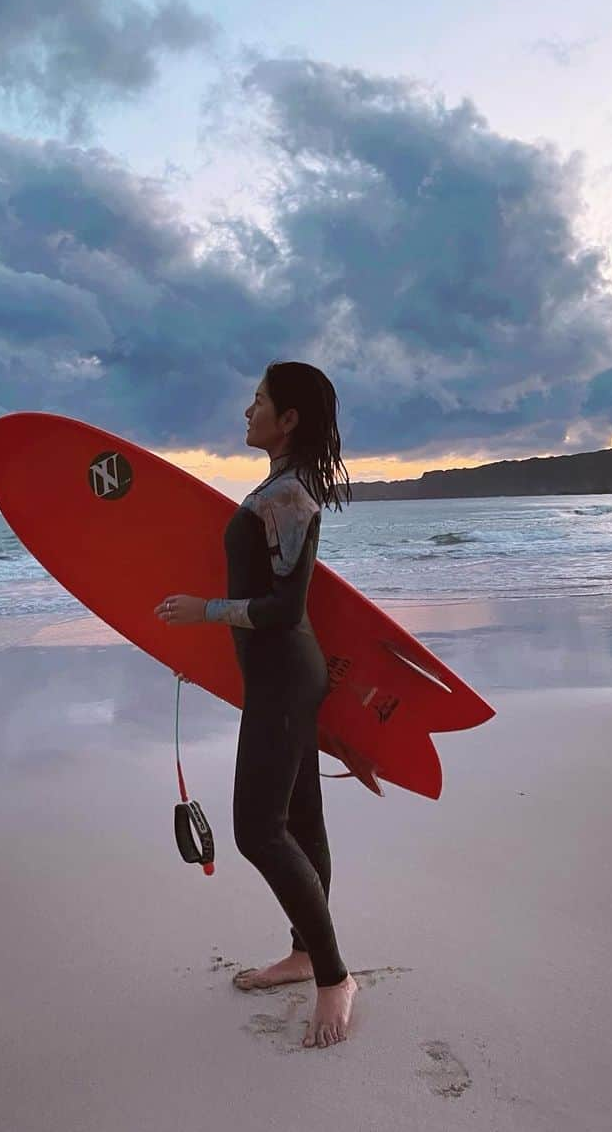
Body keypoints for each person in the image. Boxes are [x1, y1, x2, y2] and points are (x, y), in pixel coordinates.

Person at [153, 360, 358, 1049]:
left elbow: (282, 609)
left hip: (283, 678)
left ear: (289, 418)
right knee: (299, 820)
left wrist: (203, 614)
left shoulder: (291, 496)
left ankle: (334, 976)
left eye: (260, 401)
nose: (247, 410)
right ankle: (306, 953)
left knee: (257, 830)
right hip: (281, 677)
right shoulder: (278, 488)